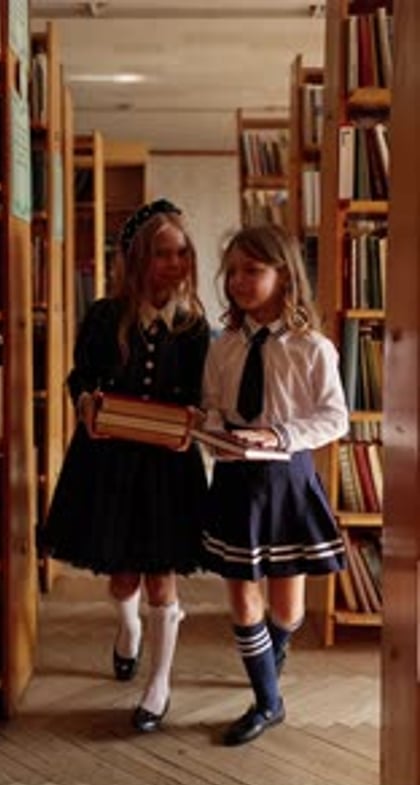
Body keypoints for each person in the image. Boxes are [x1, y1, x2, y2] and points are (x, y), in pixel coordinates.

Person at [41, 198, 210, 733]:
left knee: (162, 579)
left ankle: (158, 684)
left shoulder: (195, 327)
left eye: (182, 253)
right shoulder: (102, 315)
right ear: (137, 258)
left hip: (168, 469)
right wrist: (86, 401)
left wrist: (195, 419)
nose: (175, 264)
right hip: (108, 463)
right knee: (123, 576)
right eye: (163, 253)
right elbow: (79, 379)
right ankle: (128, 627)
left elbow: (209, 395)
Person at [200, 223, 349, 747]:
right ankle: (268, 702)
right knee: (243, 601)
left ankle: (272, 651)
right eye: (232, 272)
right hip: (235, 480)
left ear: (284, 275)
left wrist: (279, 433)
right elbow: (213, 405)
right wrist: (213, 433)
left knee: (287, 610)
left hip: (288, 479)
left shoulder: (313, 347)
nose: (239, 281)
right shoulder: (223, 347)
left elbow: (336, 419)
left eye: (253, 270)